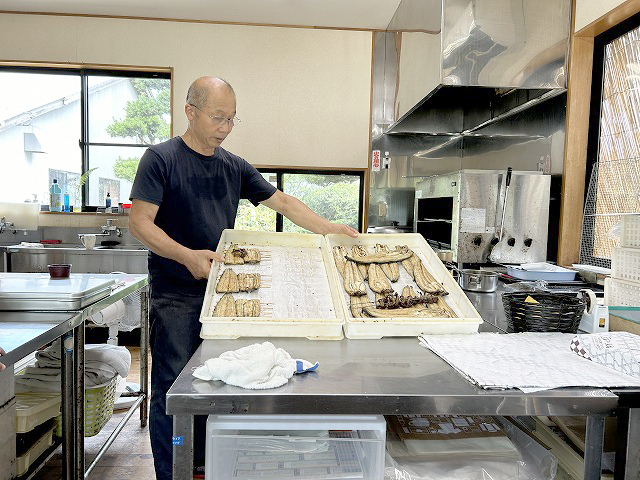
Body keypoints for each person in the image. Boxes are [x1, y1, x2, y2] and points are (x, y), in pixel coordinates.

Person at [129, 76, 358, 480]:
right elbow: (140, 223)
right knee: (174, 387)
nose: (225, 127)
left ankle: (202, 464)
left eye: (232, 119)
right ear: (190, 112)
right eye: (218, 118)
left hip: (222, 295)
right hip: (175, 295)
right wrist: (186, 257)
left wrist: (328, 228)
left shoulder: (232, 165)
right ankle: (172, 471)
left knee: (218, 382)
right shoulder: (160, 159)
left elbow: (283, 202)